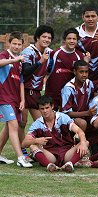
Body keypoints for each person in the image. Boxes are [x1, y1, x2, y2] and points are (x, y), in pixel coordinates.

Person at [21, 95, 89, 172]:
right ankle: (49, 166)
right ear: (39, 109)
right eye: (42, 109)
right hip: (51, 156)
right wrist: (36, 140)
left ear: (52, 106)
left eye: (47, 108)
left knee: (86, 142)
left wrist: (82, 143)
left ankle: (70, 164)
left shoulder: (63, 117)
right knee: (33, 146)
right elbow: (24, 144)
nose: (45, 111)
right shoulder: (37, 124)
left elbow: (79, 131)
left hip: (67, 153)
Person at [0, 31, 32, 167]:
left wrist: (23, 100)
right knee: (13, 125)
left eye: (19, 44)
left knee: (8, 128)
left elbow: (21, 82)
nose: (17, 46)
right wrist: (14, 60)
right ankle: (20, 157)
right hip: (4, 97)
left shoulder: (20, 60)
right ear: (8, 43)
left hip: (16, 99)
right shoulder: (5, 55)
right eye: (14, 43)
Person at [46, 28, 90, 110]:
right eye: (69, 38)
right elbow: (47, 71)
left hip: (68, 95)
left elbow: (81, 75)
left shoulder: (79, 56)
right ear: (64, 40)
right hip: (53, 94)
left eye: (74, 39)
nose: (72, 41)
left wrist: (86, 62)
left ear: (77, 41)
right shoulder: (55, 53)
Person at [21, 25, 54, 124]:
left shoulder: (50, 53)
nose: (46, 40)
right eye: (44, 37)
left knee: (42, 123)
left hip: (36, 93)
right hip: (23, 91)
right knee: (21, 123)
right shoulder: (28, 51)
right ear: (37, 38)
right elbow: (25, 71)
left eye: (49, 38)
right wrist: (40, 61)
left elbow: (50, 70)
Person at [61, 60, 95, 133]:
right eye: (81, 72)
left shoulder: (89, 83)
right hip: (71, 118)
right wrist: (87, 113)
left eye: (86, 72)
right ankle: (79, 143)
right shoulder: (68, 88)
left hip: (85, 114)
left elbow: (92, 99)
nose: (84, 75)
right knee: (82, 123)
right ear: (75, 72)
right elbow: (66, 113)